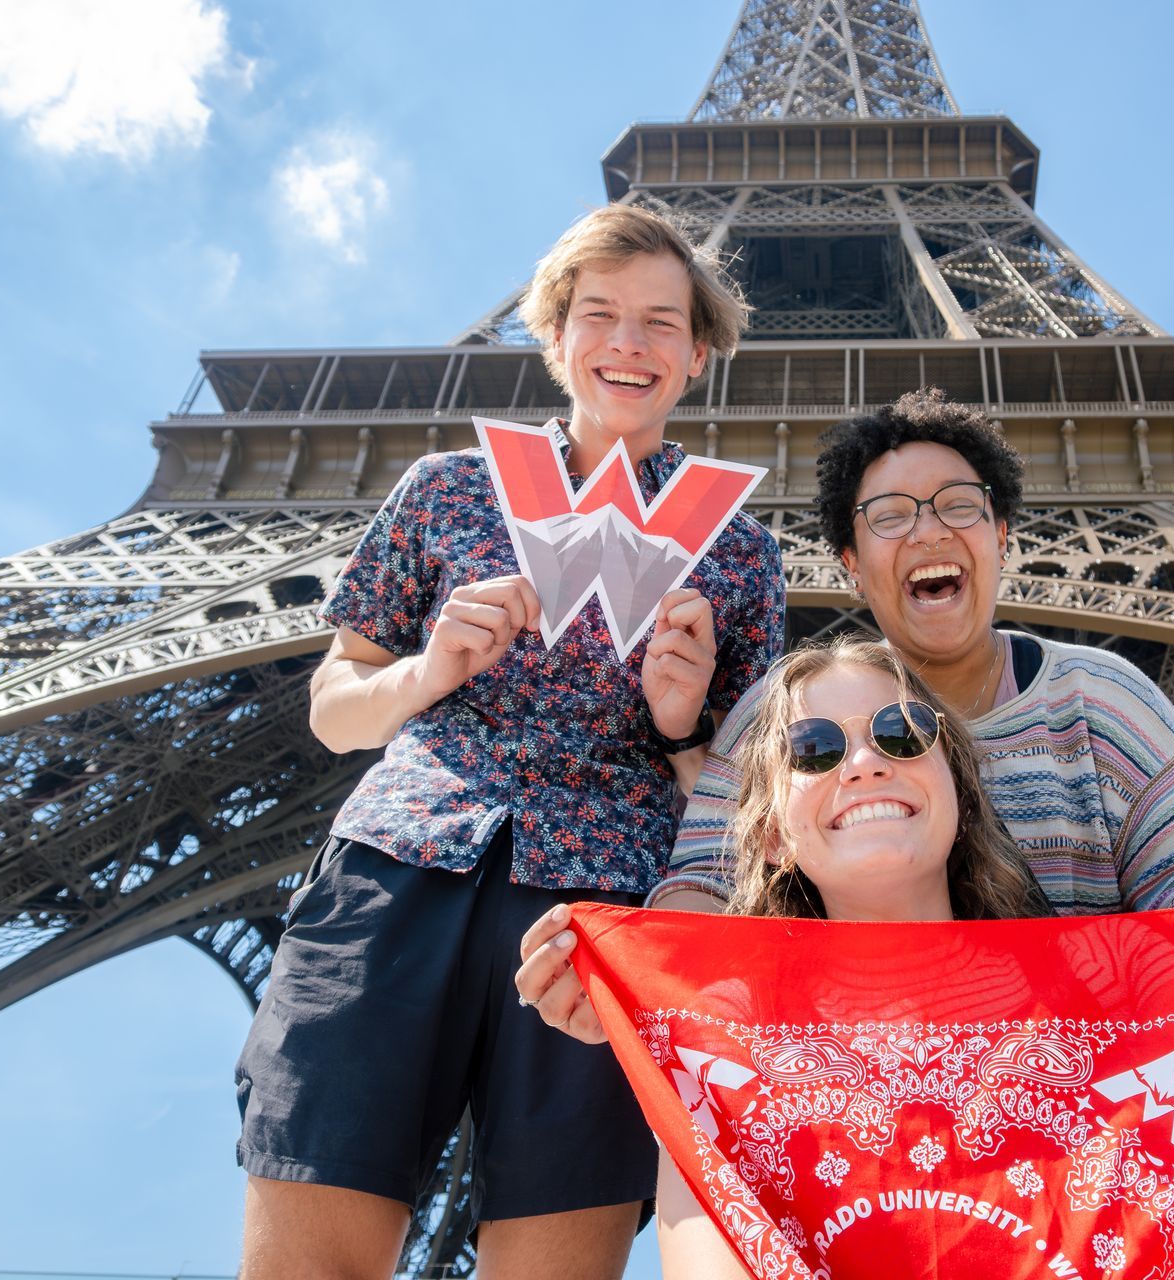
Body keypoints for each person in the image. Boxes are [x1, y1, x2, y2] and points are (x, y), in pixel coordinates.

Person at [232, 204, 786, 1280]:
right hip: (400, 863)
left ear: (699, 354)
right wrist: (427, 670)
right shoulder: (446, 488)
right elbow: (335, 703)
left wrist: (685, 724)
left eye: (661, 322)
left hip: (605, 916)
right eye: (600, 314)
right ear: (555, 334)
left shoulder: (741, 553)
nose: (628, 342)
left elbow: (749, 805)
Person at [521, 390, 1174, 1048]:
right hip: (855, 1112)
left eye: (959, 506)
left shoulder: (1102, 698)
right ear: (854, 568)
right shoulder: (779, 714)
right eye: (890, 517)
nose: (928, 529)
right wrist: (629, 973)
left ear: (1002, 533)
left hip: (1099, 1115)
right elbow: (706, 895)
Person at [518, 638, 1174, 1278]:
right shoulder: (722, 1049)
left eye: (900, 732)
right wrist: (635, 975)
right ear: (773, 835)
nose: (861, 763)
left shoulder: (1131, 999)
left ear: (959, 787)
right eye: (811, 750)